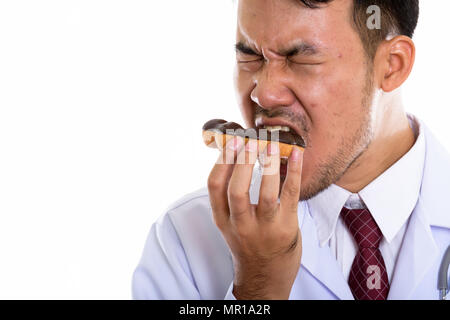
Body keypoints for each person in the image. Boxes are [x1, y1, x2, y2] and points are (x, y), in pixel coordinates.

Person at [132, 0, 450, 300]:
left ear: (391, 66)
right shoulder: (182, 240)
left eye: (300, 59)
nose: (265, 94)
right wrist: (258, 289)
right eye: (250, 57)